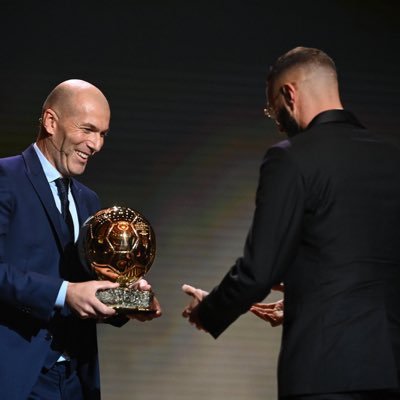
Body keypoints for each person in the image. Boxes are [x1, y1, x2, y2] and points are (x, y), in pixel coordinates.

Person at [182, 47, 400, 399]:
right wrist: (306, 294)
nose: (276, 119)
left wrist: (209, 311)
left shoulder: (290, 158)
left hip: (326, 372)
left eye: (273, 109)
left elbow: (259, 272)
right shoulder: (392, 159)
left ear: (289, 94)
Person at [0, 79, 161, 400]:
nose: (96, 144)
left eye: (102, 134)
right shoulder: (6, 178)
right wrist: (64, 293)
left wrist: (127, 301)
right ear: (50, 122)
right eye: (87, 130)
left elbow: (86, 290)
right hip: (16, 376)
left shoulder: (89, 200)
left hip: (76, 380)